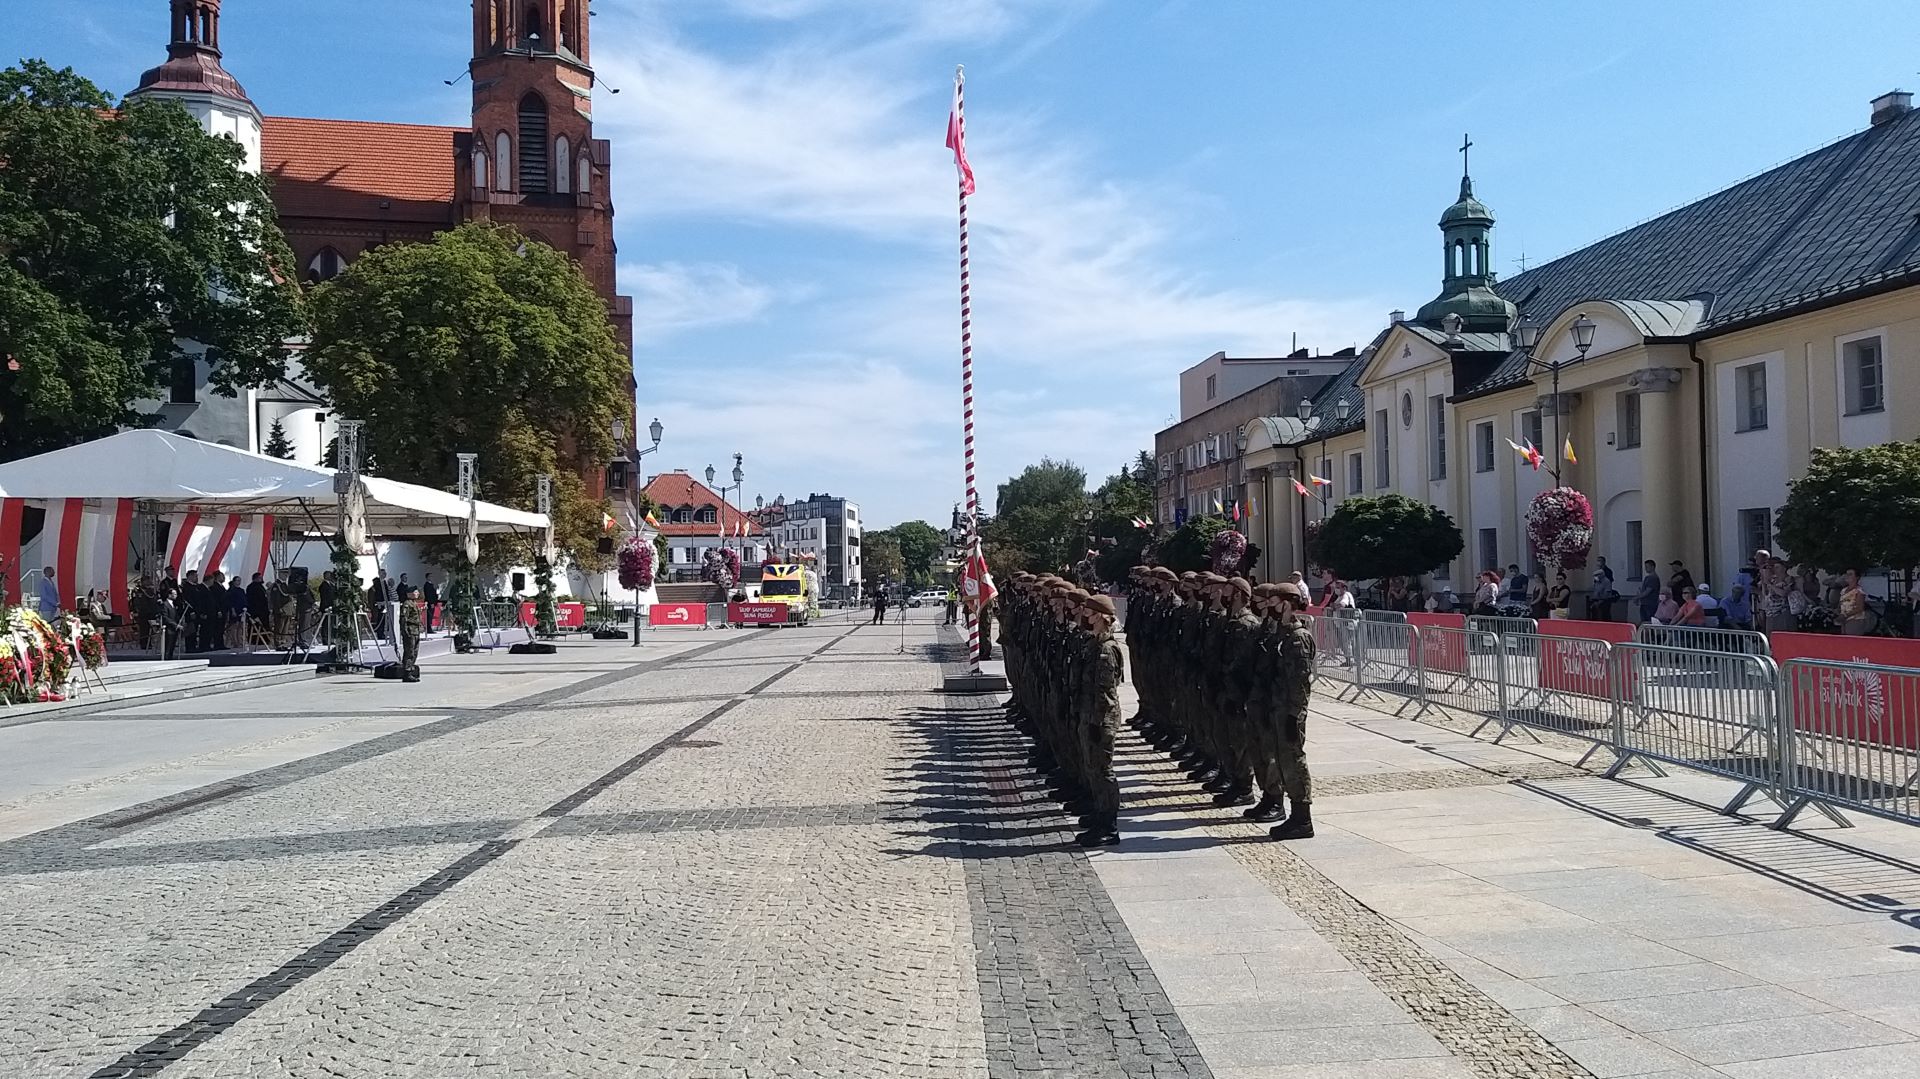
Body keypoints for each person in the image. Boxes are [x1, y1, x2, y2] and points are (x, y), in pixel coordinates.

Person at [1073, 593, 1124, 848]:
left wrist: (1097, 722)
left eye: (1089, 612)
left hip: (1101, 719)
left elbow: (1105, 693)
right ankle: (1099, 814)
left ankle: (1109, 825)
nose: (1085, 616)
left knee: (1103, 771)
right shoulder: (1093, 643)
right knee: (1092, 769)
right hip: (1089, 715)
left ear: (1101, 616)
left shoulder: (1107, 649)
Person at [1266, 580, 1316, 841]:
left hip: (1290, 711)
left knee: (1293, 760)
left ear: (1286, 604)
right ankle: (1293, 814)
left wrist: (1294, 715)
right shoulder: (1283, 634)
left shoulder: (1298, 638)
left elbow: (1300, 682)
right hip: (1278, 706)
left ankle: (1302, 818)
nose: (1269, 606)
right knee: (1282, 759)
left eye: (1273, 602)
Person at [397, 583, 423, 681]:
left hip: (416, 631)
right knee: (409, 652)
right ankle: (407, 673)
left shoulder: (414, 603)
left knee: (415, 652)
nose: (417, 593)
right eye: (415, 592)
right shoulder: (407, 604)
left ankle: (411, 670)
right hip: (410, 631)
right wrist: (404, 631)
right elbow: (404, 619)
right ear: (409, 594)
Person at [1840, 569, 1872, 635]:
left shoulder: (1859, 591)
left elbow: (1859, 608)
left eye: (1850, 574)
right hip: (1844, 620)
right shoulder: (1843, 590)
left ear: (1857, 577)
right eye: (1846, 574)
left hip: (1855, 620)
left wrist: (1845, 615)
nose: (1847, 576)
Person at [227, 573, 249, 648]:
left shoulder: (241, 590)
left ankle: (240, 641)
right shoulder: (231, 591)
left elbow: (244, 600)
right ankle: (235, 642)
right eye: (237, 580)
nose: (239, 582)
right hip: (235, 610)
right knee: (234, 627)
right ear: (234, 581)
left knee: (241, 627)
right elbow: (231, 602)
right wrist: (233, 610)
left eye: (240, 580)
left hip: (242, 610)